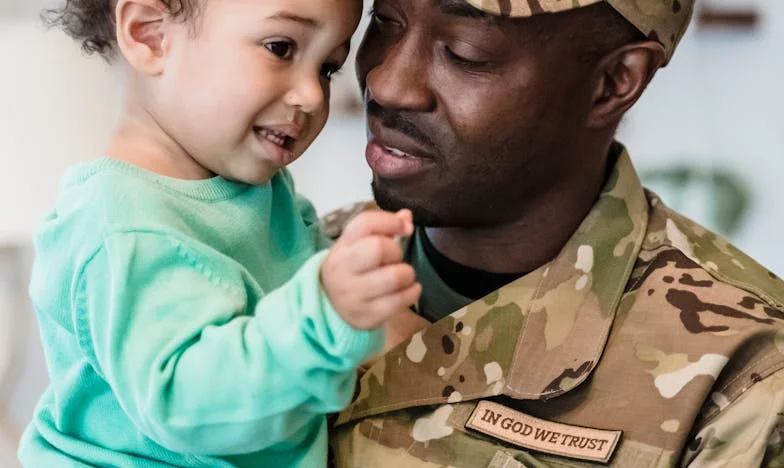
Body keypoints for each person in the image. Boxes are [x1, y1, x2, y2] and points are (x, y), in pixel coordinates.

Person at [326, 0, 784, 466]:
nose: (387, 83)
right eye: (385, 22)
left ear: (613, 82)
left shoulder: (746, 381)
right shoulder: (292, 257)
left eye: (465, 53)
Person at [18, 0, 422, 466]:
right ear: (151, 34)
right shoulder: (122, 226)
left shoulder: (255, 192)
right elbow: (185, 408)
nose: (311, 94)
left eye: (328, 68)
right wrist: (326, 319)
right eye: (281, 48)